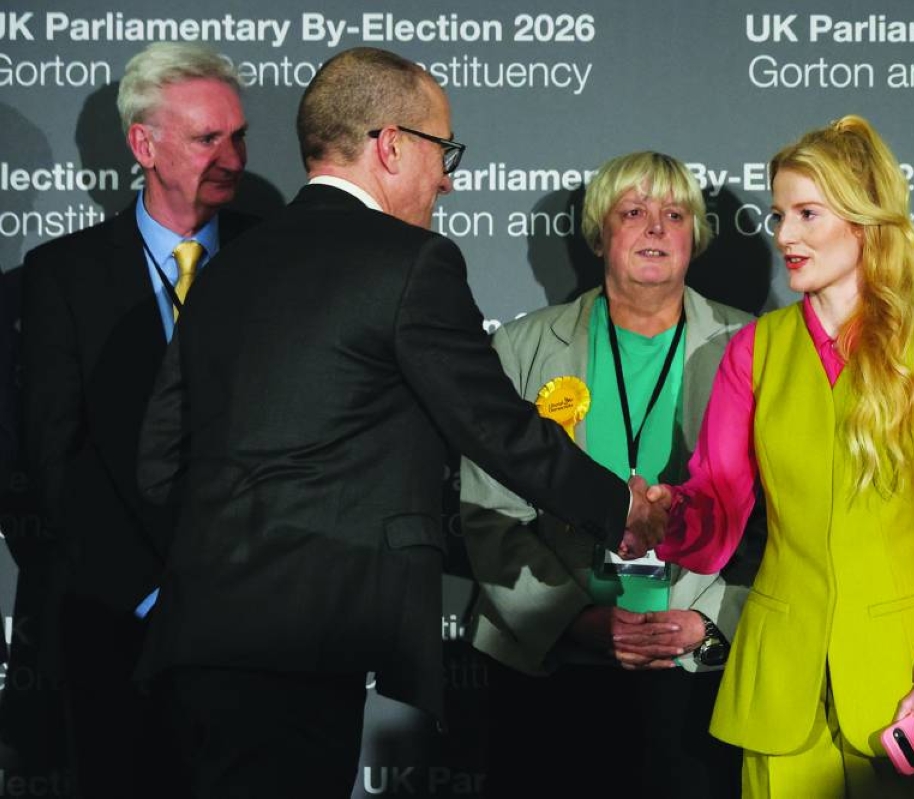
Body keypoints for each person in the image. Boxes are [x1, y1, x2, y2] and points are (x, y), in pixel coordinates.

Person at [134, 47, 664, 798]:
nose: (447, 176)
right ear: (390, 145)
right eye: (441, 149)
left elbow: (157, 461)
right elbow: (497, 427)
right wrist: (624, 509)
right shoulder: (411, 263)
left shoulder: (225, 268)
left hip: (194, 637)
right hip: (308, 641)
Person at [649, 115, 914, 797]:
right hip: (784, 694)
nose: (784, 235)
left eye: (808, 213)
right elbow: (716, 515)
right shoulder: (752, 352)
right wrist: (657, 518)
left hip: (911, 697)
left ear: (864, 220)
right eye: (780, 214)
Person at [460, 151, 763, 798]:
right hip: (552, 670)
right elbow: (487, 508)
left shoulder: (757, 347)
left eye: (673, 214)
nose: (655, 228)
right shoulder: (520, 349)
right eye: (634, 212)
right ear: (601, 233)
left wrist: (712, 618)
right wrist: (575, 619)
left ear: (695, 237)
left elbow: (784, 517)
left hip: (700, 673)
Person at [19, 42, 252, 798]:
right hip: (117, 629)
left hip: (258, 627)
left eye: (238, 136)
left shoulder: (276, 261)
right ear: (142, 145)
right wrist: (146, 590)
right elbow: (45, 461)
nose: (230, 155)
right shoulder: (60, 277)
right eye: (206, 138)